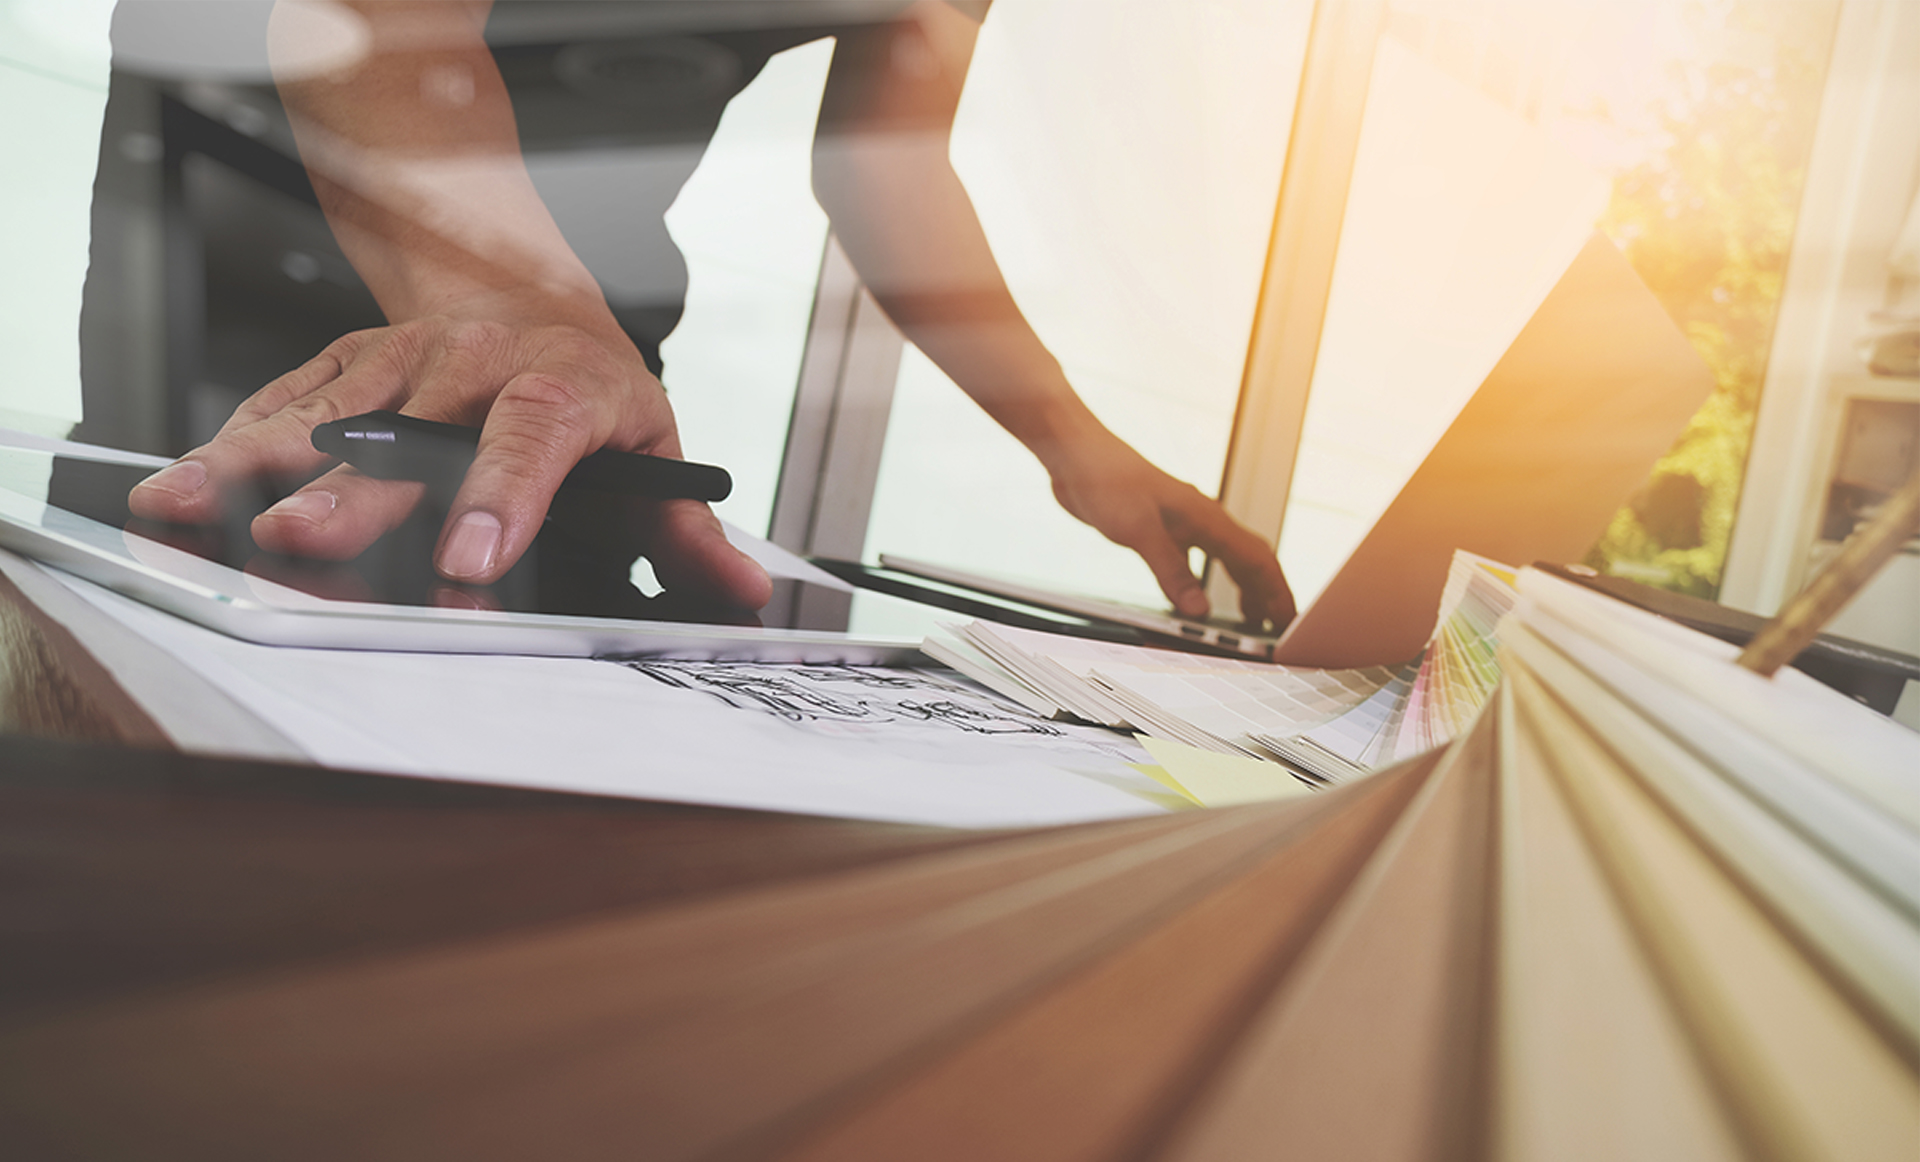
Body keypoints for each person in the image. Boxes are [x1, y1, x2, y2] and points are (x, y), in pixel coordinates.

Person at [130, 0, 1295, 626]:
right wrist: (507, 301)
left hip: (590, 330)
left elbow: (890, 164)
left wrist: (1072, 442)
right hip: (280, 233)